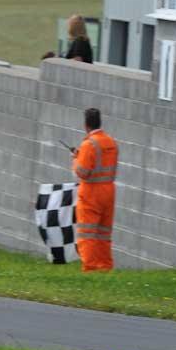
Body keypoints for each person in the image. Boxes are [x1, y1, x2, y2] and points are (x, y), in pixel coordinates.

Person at [72, 108, 118, 272]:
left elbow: (82, 172)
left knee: (87, 233)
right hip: (109, 191)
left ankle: (90, 268)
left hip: (91, 192)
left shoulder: (89, 144)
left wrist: (76, 159)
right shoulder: (111, 142)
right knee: (103, 233)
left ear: (86, 125)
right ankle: (105, 266)